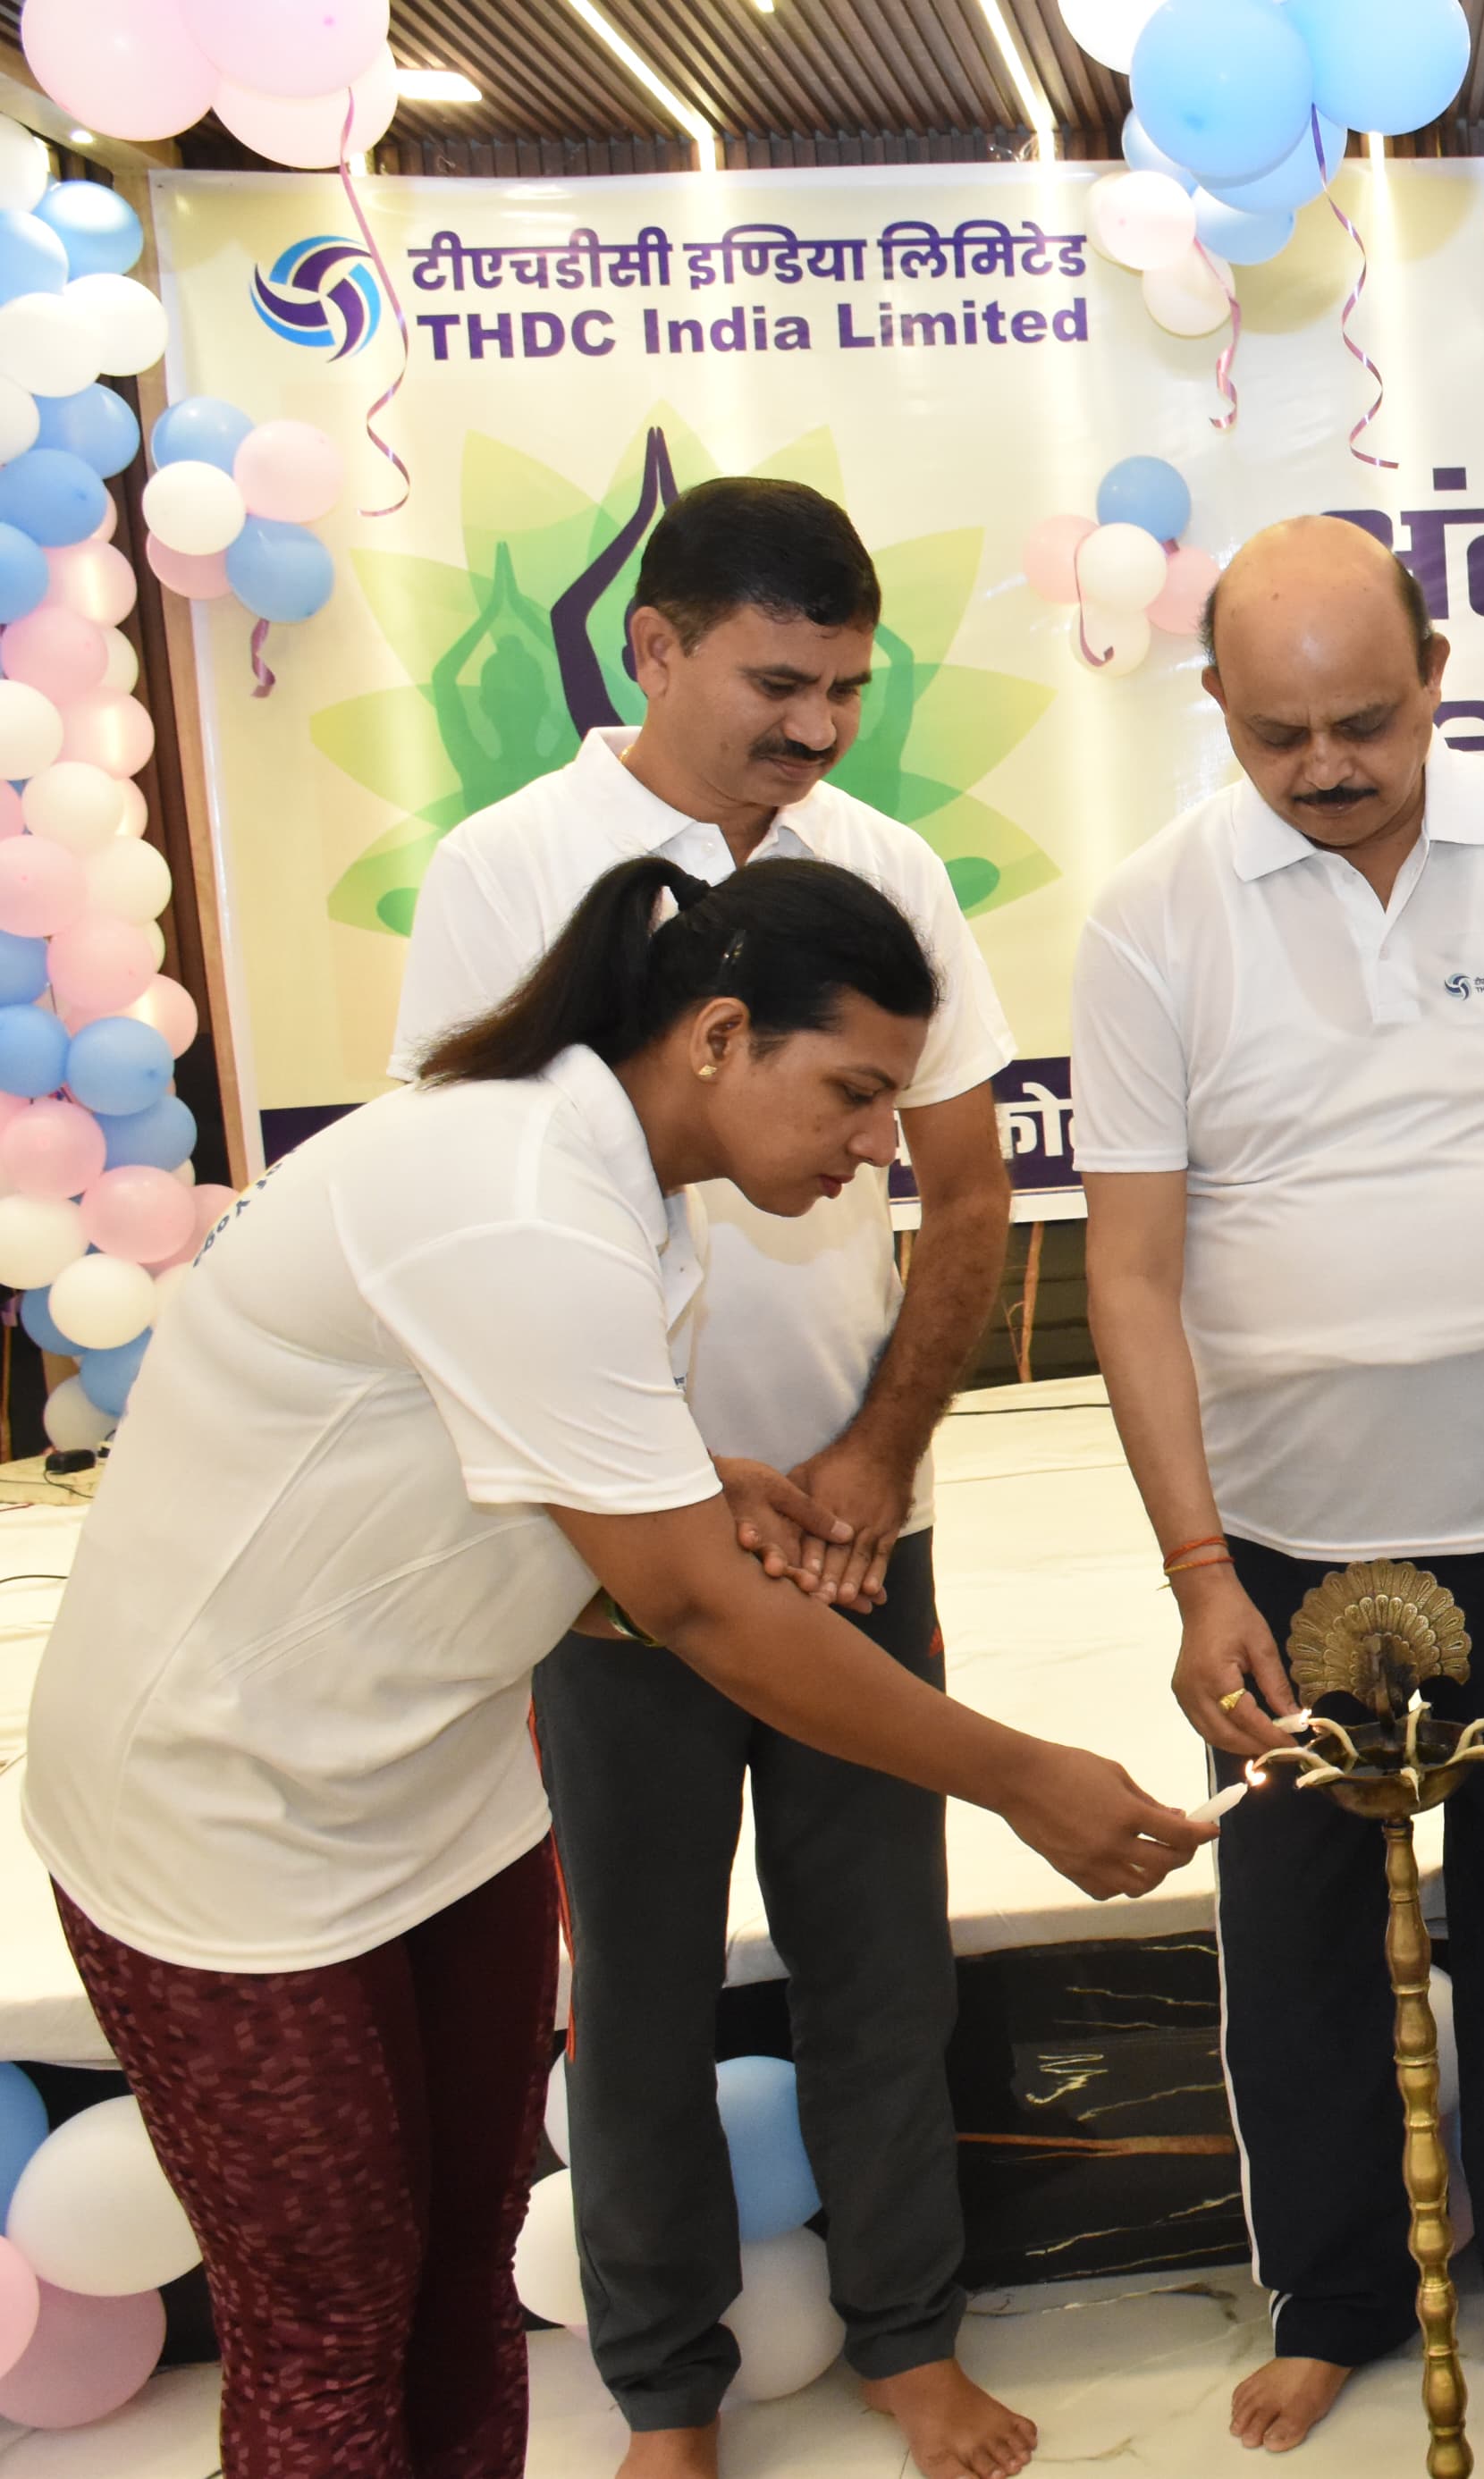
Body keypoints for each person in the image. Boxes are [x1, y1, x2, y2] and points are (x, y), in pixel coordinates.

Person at [26, 856, 1209, 2479]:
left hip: (433, 1792)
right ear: (718, 1035)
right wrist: (1021, 1777)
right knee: (329, 2336)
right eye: (855, 1091)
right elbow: (698, 1612)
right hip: (219, 1820)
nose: (882, 1143)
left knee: (457, 2283)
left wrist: (692, 1479)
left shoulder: (615, 1181)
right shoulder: (518, 1190)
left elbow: (487, 1430)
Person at [387, 476, 1031, 2479]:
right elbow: (467, 1222)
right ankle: (665, 2391)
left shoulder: (884, 868)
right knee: (640, 1994)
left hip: (853, 1536)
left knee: (885, 1969)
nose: (816, 729)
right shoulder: (509, 870)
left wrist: (873, 1459)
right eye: (776, 683)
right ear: (653, 649)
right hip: (611, 1547)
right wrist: (676, 1494)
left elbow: (969, 1191)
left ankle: (911, 2338)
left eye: (847, 689)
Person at [1070, 515, 1484, 2455]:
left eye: (1365, 719)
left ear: (1438, 676)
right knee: (1298, 1941)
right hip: (1280, 1537)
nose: (1328, 764)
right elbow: (1130, 1270)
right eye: (1279, 734)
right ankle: (1337, 2292)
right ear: (1215, 708)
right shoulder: (1154, 914)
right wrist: (1196, 1567)